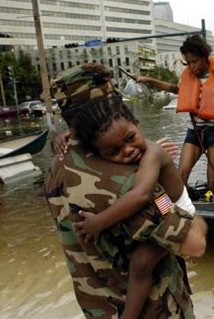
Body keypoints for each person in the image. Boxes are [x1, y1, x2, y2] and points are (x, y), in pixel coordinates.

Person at [45, 63, 207, 318]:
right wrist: (173, 208)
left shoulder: (56, 167)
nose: (127, 150)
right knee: (142, 266)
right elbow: (195, 244)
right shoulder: (126, 180)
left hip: (97, 308)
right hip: (157, 312)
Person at [72, 95, 199, 319]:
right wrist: (63, 138)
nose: (129, 150)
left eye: (131, 138)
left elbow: (140, 196)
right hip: (163, 202)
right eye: (114, 152)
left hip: (178, 209)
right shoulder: (138, 148)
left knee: (140, 264)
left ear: (138, 125)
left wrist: (98, 222)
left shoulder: (152, 152)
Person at [136, 34, 214, 223]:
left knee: (212, 181)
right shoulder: (188, 76)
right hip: (196, 131)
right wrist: (149, 80)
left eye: (194, 61)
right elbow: (175, 89)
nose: (191, 66)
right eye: (188, 62)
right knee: (180, 174)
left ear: (204, 56)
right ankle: (177, 213)